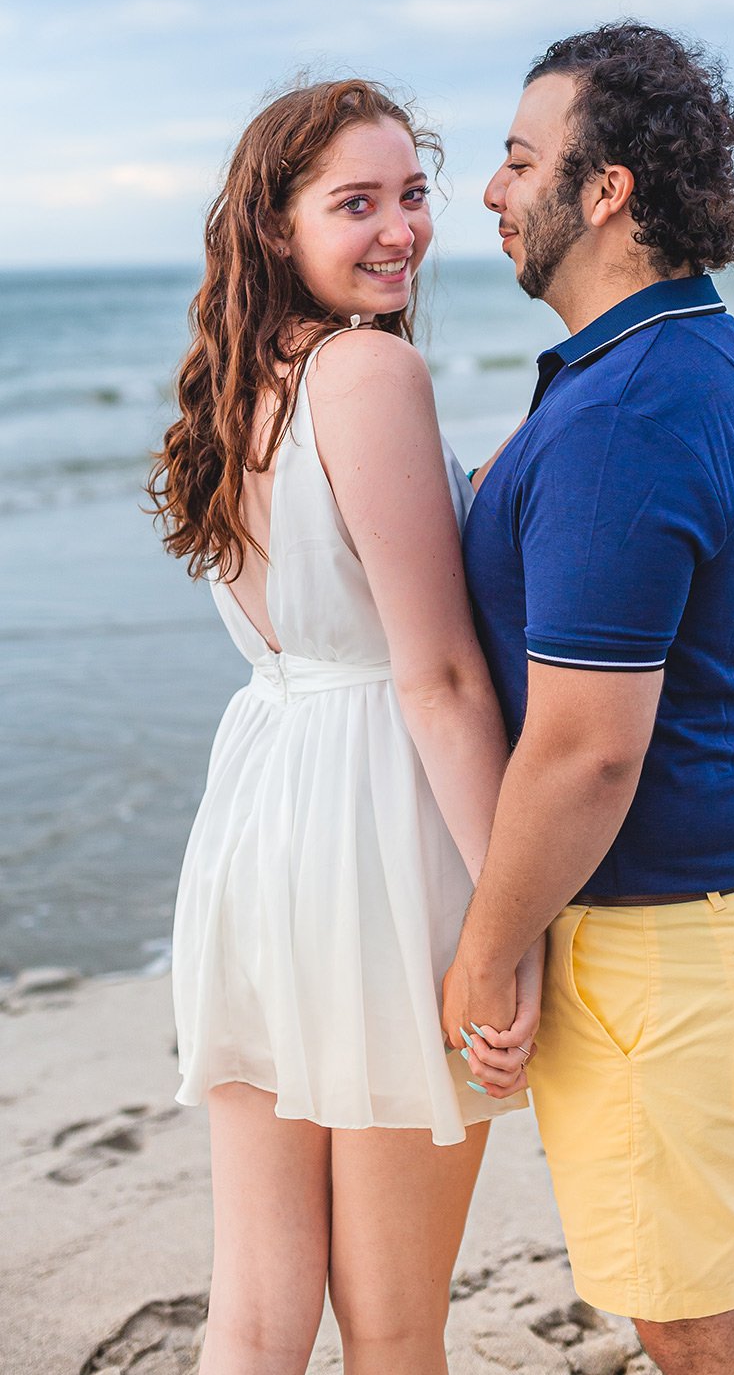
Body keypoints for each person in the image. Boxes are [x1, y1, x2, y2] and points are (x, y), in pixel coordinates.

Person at [442, 23, 734, 1375]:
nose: (493, 193)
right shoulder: (672, 348)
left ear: (605, 188)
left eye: (517, 160)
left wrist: (488, 950)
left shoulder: (630, 408)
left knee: (688, 1307)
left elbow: (584, 756)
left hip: (678, 934)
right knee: (718, 1238)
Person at [149, 80, 538, 1375]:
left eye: (412, 194)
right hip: (378, 842)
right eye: (355, 203)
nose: (400, 231)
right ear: (276, 226)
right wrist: (511, 923)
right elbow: (437, 681)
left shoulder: (231, 393)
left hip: (260, 826)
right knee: (392, 1324)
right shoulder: (369, 371)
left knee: (256, 1309)